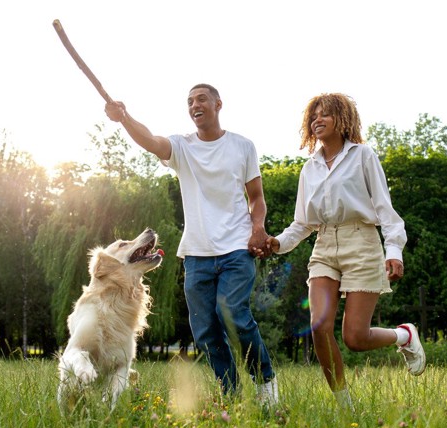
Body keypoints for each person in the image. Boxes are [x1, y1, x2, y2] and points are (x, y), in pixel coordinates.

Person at [105, 83, 278, 404]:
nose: (194, 105)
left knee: (232, 313)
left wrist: (258, 228)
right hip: (197, 254)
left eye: (201, 99)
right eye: (189, 101)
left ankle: (266, 382)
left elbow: (257, 198)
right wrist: (124, 118)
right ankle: (231, 394)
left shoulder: (242, 146)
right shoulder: (181, 147)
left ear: (217, 104)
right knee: (205, 331)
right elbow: (151, 141)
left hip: (237, 249)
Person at [257, 93, 425, 411]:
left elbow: (385, 210)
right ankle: (344, 405)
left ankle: (403, 335)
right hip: (324, 246)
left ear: (343, 119)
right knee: (319, 325)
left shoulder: (363, 156)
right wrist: (277, 243)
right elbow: (303, 223)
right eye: (313, 116)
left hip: (361, 243)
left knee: (355, 338)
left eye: (326, 115)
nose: (317, 120)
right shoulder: (310, 168)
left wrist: (394, 251)